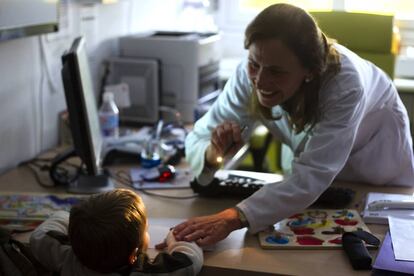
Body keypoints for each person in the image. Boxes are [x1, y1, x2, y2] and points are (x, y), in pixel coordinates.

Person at [174, 3, 414, 246]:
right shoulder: (249, 76)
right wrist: (213, 151)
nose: (260, 82)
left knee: (376, 245)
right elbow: (199, 135)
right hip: (314, 187)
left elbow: (312, 175)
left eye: (276, 72)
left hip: (374, 172)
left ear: (309, 71)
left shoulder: (344, 86)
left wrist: (233, 217)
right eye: (254, 64)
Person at [30, 189, 203, 275]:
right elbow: (189, 260)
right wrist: (175, 235)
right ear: (133, 255)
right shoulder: (141, 273)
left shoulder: (66, 257)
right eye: (146, 230)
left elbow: (41, 234)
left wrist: (81, 220)